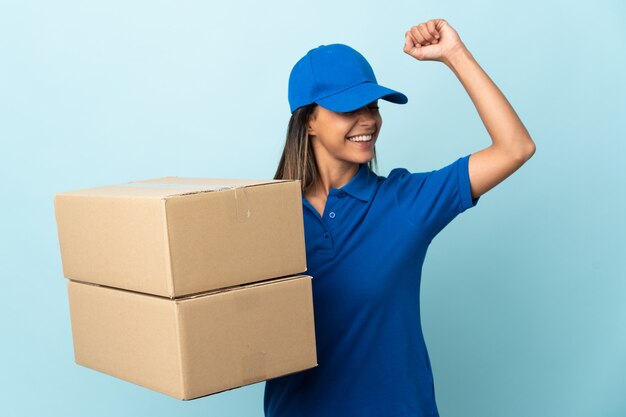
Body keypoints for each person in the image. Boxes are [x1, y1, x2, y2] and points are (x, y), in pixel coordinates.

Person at [265, 18, 536, 417]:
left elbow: (516, 147)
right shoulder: (265, 222)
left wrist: (454, 55)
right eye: (348, 108)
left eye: (372, 106)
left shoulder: (404, 202)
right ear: (308, 121)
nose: (369, 120)